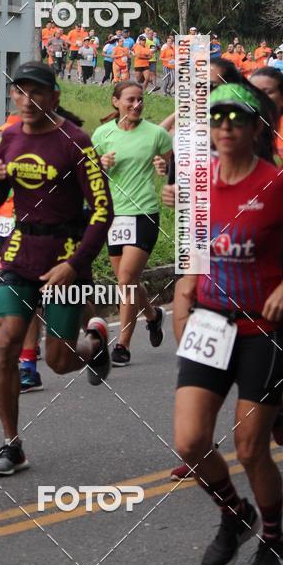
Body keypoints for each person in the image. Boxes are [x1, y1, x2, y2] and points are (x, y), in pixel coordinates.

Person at [172, 81, 283, 565]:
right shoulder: (198, 184)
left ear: (257, 128)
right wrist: (183, 292)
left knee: (250, 445)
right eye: (217, 120)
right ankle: (235, 514)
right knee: (190, 442)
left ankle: (276, 539)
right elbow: (191, 254)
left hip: (266, 330)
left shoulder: (276, 184)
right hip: (211, 324)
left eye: (236, 120)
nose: (225, 128)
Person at [0, 62, 114, 476]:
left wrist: (75, 265)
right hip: (20, 252)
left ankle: (93, 347)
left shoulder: (76, 142)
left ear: (54, 97)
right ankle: (11, 444)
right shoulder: (11, 137)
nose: (27, 99)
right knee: (5, 345)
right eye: (20, 92)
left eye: (37, 91)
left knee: (58, 360)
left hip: (65, 255)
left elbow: (103, 211)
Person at [91, 81, 172, 366]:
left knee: (125, 279)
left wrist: (164, 168)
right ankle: (152, 314)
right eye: (130, 100)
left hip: (144, 213)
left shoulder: (156, 134)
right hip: (114, 215)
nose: (136, 104)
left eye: (140, 100)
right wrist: (100, 163)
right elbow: (87, 173)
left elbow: (171, 165)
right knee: (129, 280)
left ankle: (122, 345)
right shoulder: (102, 134)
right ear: (116, 102)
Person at [0, 113, 43, 394]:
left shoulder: (37, 161)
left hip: (30, 233)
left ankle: (28, 364)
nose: (4, 138)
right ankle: (24, 346)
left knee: (25, 297)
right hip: (2, 231)